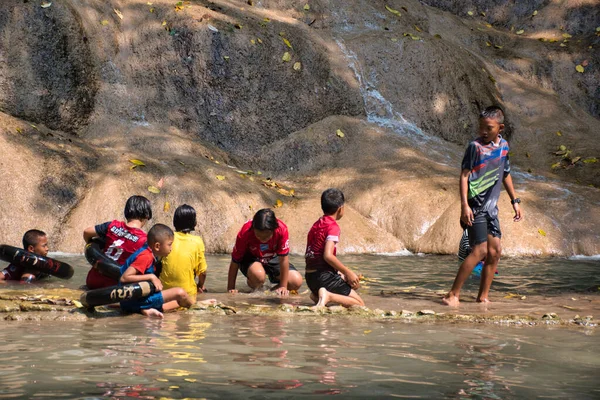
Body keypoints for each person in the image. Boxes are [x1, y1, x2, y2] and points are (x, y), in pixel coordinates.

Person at [443, 106, 523, 307]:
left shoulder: (504, 146)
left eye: (488, 128)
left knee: (495, 252)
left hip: (491, 208)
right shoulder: (475, 147)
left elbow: (505, 173)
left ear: (500, 127)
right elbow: (464, 175)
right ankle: (452, 294)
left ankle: (483, 297)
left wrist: (515, 201)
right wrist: (464, 206)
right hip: (475, 206)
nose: (484, 132)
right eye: (481, 128)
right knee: (479, 250)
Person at [120, 223, 194, 318]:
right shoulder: (145, 256)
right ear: (157, 246)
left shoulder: (148, 252)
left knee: (177, 303)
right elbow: (124, 278)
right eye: (169, 245)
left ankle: (145, 310)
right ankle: (197, 307)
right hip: (133, 301)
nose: (171, 249)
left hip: (134, 300)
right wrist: (151, 277)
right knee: (180, 293)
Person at [305, 188, 364, 307]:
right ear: (340, 209)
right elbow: (327, 256)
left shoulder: (317, 224)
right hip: (323, 277)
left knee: (347, 282)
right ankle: (328, 295)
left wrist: (342, 275)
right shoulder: (333, 227)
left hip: (310, 277)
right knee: (359, 304)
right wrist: (348, 272)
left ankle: (317, 296)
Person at [227, 208, 303, 296]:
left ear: (274, 230)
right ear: (253, 229)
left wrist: (283, 286)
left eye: (266, 237)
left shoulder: (282, 230)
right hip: (251, 257)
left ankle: (270, 293)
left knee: (296, 281)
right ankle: (254, 285)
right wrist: (230, 288)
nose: (262, 240)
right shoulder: (245, 232)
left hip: (272, 256)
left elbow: (283, 259)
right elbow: (235, 261)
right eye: (258, 236)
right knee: (258, 275)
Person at [83, 195, 152, 289]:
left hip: (93, 280)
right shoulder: (144, 241)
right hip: (116, 287)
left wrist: (91, 248)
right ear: (147, 216)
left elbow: (87, 232)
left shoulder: (112, 226)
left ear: (126, 212)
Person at [160, 204, 208, 302]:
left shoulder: (166, 238)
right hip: (186, 296)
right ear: (194, 223)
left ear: (174, 221)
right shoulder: (197, 241)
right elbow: (202, 272)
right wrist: (200, 285)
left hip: (164, 294)